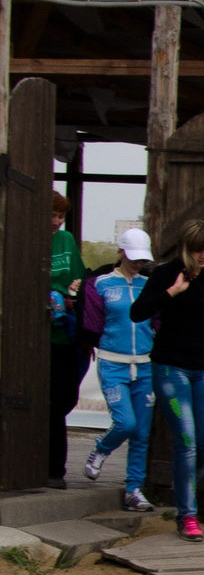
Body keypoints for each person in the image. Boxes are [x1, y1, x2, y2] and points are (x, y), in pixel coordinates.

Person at [132, 218, 204, 539]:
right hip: (171, 367)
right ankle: (188, 515)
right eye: (198, 249)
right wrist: (171, 291)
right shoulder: (163, 274)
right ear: (185, 248)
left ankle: (185, 489)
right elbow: (137, 312)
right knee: (186, 441)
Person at [78, 229, 159, 511]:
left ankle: (133, 490)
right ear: (121, 252)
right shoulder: (99, 285)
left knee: (141, 432)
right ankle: (101, 448)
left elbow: (158, 322)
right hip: (113, 362)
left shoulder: (150, 285)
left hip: (145, 365)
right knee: (126, 423)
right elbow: (91, 324)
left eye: (142, 259)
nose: (138, 264)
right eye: (133, 258)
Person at [43, 194, 91, 489]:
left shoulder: (66, 240)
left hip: (64, 335)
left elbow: (79, 278)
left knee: (63, 399)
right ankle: (52, 469)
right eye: (52, 214)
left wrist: (75, 289)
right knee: (41, 401)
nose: (56, 221)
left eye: (60, 216)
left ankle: (53, 465)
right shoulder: (27, 236)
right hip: (36, 337)